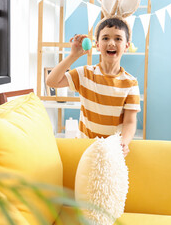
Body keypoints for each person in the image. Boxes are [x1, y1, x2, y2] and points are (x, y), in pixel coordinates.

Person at [46, 17, 140, 157]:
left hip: (112, 152)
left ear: (126, 46)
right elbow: (51, 81)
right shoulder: (85, 74)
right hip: (84, 149)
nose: (111, 43)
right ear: (97, 44)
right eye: (105, 38)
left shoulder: (130, 83)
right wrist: (73, 55)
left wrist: (124, 143)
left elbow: (130, 122)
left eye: (118, 39)